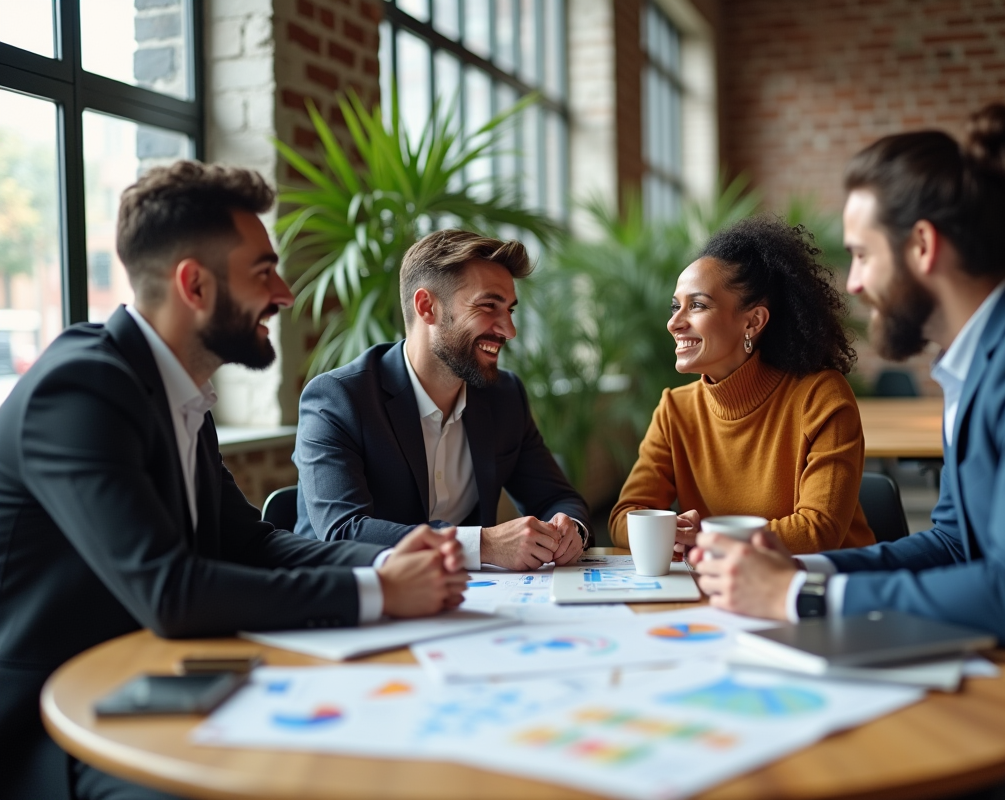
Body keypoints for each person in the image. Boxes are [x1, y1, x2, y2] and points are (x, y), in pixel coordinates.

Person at [689, 104, 1005, 798]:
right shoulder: (984, 356)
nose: (856, 282)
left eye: (863, 254)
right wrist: (799, 563)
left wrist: (804, 595)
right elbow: (959, 540)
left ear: (923, 247)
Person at [0, 162, 469, 800]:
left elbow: (248, 540)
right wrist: (377, 590)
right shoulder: (80, 389)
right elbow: (171, 590)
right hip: (49, 726)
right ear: (193, 284)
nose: (284, 293)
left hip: (159, 681)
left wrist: (389, 558)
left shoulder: (179, 390)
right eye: (262, 271)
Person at [293, 229, 591, 571]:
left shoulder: (505, 397)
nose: (509, 330)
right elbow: (343, 531)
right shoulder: (338, 399)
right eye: (488, 306)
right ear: (427, 307)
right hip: (349, 601)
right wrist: (483, 544)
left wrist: (571, 530)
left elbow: (557, 498)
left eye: (509, 310)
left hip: (468, 600)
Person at [609, 217, 875, 555]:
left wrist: (704, 535)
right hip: (726, 590)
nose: (674, 322)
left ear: (753, 321)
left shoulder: (820, 397)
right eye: (676, 306)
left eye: (698, 305)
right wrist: (670, 529)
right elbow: (623, 518)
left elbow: (817, 531)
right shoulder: (675, 409)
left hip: (824, 588)